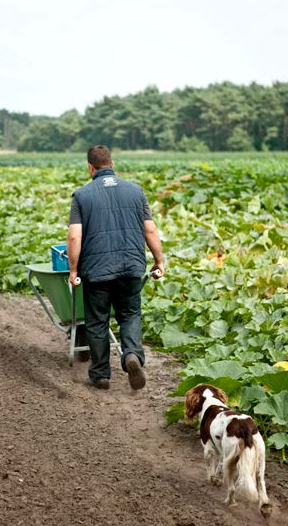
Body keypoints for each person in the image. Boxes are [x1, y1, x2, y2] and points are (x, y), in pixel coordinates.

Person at [67, 145, 164, 391]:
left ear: (90, 167)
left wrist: (73, 270)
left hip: (96, 271)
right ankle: (132, 355)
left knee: (97, 320)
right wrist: (159, 261)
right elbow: (150, 230)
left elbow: (74, 237)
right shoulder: (136, 192)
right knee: (130, 313)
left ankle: (100, 374)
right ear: (112, 164)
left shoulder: (81, 196)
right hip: (131, 267)